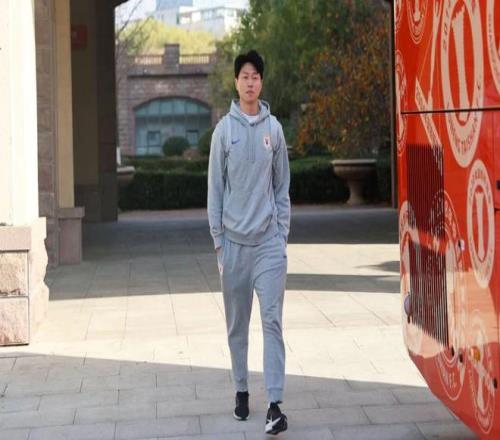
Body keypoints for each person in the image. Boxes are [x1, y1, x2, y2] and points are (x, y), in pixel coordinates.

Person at [207, 49, 290, 435]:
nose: (250, 82)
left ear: (262, 82)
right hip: (234, 246)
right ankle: (241, 389)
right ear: (236, 82)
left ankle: (275, 404)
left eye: (256, 76)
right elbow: (215, 190)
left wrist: (282, 234)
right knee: (237, 326)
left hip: (269, 244)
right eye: (245, 76)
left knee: (272, 321)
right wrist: (219, 244)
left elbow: (282, 186)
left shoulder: (275, 130)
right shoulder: (224, 131)